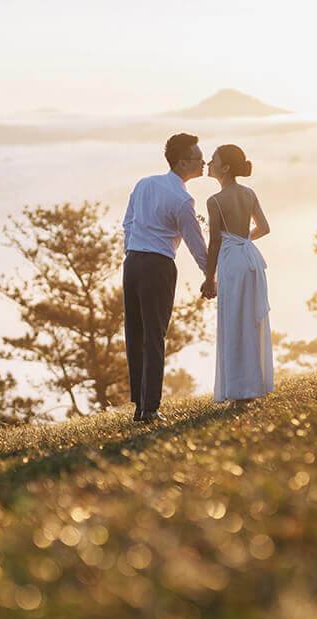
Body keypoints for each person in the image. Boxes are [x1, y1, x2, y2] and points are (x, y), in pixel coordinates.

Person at [122, 133, 213, 423]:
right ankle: (150, 408)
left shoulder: (145, 183)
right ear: (183, 162)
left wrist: (132, 248)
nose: (204, 162)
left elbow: (128, 222)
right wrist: (210, 277)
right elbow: (196, 244)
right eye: (199, 158)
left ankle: (140, 405)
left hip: (133, 264)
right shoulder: (182, 199)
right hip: (158, 267)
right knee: (154, 337)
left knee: (134, 335)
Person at [202, 144, 273, 404]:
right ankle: (253, 387)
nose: (209, 163)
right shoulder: (249, 193)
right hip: (250, 259)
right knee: (250, 323)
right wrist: (243, 239)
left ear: (225, 168)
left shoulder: (215, 201)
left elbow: (214, 244)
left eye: (213, 160)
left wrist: (209, 278)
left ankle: (236, 391)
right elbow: (264, 228)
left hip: (232, 262)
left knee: (233, 323)